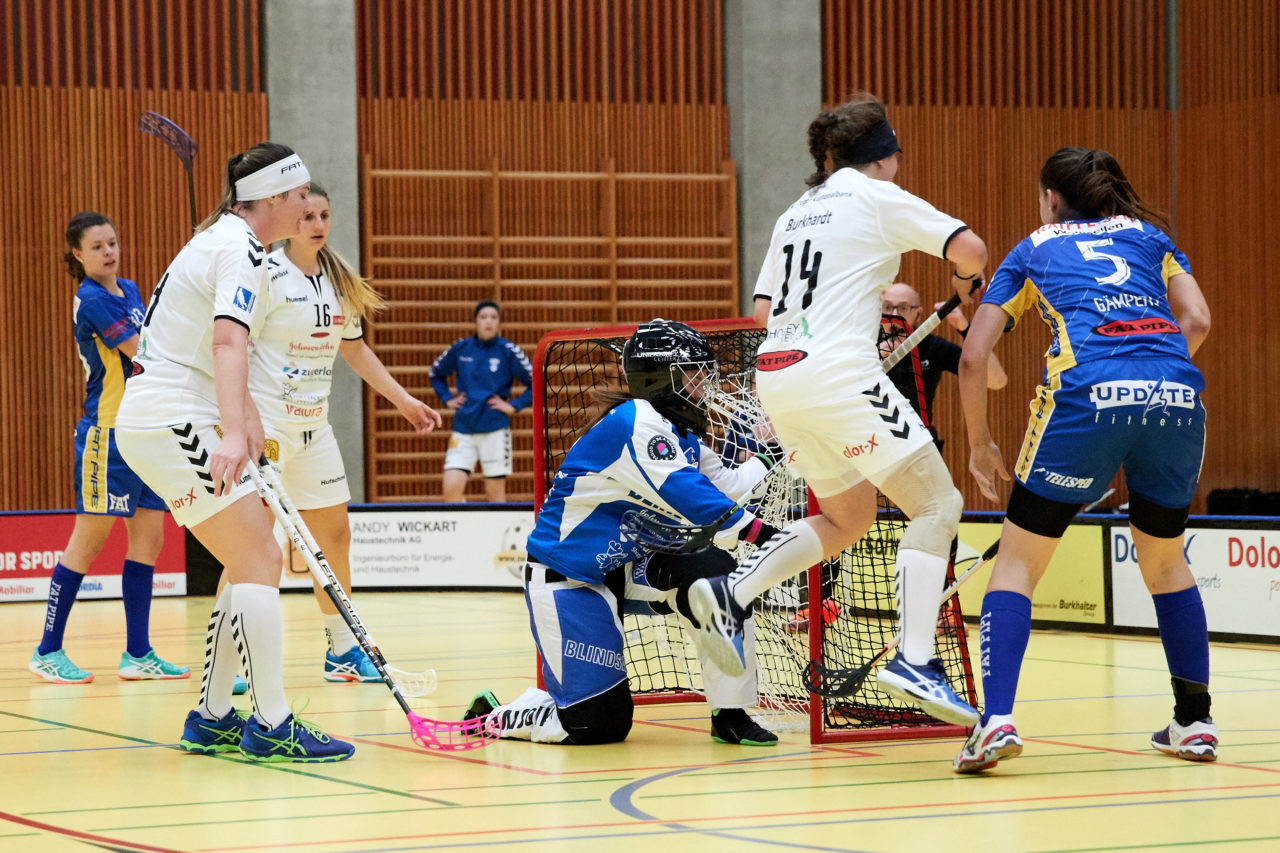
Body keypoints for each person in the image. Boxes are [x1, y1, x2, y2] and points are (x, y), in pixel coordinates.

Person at [701, 92, 990, 727]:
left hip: (776, 376)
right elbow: (970, 249)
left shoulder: (795, 212)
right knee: (937, 505)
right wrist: (969, 282)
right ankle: (915, 658)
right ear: (885, 157)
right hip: (838, 377)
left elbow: (759, 315)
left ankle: (733, 592)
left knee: (849, 515)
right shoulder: (875, 194)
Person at [954, 146, 1214, 771]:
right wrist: (1151, 379)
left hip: (1086, 396)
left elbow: (972, 357)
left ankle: (996, 722)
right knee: (1165, 561)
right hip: (1175, 394)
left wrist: (981, 443)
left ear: (1050, 196)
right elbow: (1197, 318)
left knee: (1017, 561)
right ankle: (1195, 722)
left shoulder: (1033, 248)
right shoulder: (1153, 238)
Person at [115, 143, 354, 762]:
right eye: (300, 196)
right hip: (173, 414)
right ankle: (272, 722)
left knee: (248, 557)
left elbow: (218, 352)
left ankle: (214, 714)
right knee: (259, 555)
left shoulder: (226, 241)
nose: (308, 207)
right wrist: (230, 430)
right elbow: (226, 344)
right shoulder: (241, 250)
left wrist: (244, 420)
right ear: (273, 198)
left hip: (167, 411)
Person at [462, 320, 782, 747]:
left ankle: (730, 713)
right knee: (598, 727)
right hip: (571, 581)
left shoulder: (679, 432)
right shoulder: (637, 422)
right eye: (696, 372)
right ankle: (496, 715)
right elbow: (695, 499)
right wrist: (770, 537)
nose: (707, 383)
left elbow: (727, 485)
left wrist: (773, 451)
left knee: (717, 577)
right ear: (662, 378)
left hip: (630, 567)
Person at [236, 182, 440, 683]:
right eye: (308, 216)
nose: (318, 224)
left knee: (335, 538)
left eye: (324, 214)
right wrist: (243, 418)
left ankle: (342, 652)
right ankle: (233, 658)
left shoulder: (336, 280)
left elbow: (355, 350)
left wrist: (405, 401)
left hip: (315, 430)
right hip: (269, 429)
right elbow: (231, 347)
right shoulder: (266, 273)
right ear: (289, 221)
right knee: (250, 545)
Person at [29, 212, 189, 685]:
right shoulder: (93, 300)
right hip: (108, 434)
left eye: (113, 242)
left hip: (144, 432)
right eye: (97, 246)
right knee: (90, 539)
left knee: (150, 539)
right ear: (77, 255)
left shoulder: (131, 291)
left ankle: (137, 654)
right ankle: (47, 649)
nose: (109, 252)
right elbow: (144, 352)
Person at [429, 300, 532, 502]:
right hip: (463, 428)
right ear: (476, 321)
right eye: (483, 317)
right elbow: (435, 373)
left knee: (495, 497)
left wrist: (514, 406)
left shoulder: (508, 350)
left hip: (494, 429)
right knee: (451, 490)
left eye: (493, 318)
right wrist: (447, 399)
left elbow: (535, 381)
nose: (488, 322)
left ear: (499, 323)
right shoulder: (461, 348)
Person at [881, 282, 1008, 442]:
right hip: (871, 444)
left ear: (918, 315)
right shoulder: (863, 346)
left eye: (903, 308)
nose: (894, 315)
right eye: (887, 307)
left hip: (919, 444)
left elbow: (997, 380)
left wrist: (966, 329)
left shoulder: (933, 347)